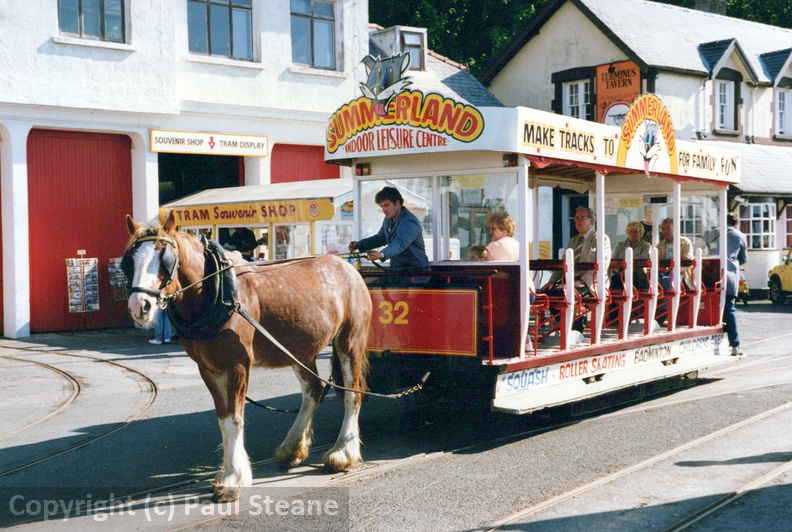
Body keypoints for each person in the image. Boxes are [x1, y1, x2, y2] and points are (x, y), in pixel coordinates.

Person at [541, 206, 611, 332]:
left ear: (591, 221)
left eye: (581, 218)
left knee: (567, 293)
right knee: (547, 292)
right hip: (570, 280)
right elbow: (564, 263)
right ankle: (570, 323)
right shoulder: (573, 241)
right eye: (576, 218)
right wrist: (552, 280)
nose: (578, 221)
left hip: (590, 282)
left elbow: (603, 264)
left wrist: (583, 281)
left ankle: (573, 326)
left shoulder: (600, 239)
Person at [348, 186, 430, 282]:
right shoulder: (388, 219)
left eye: (386, 205)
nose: (384, 210)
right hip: (396, 272)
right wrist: (361, 244)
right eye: (381, 207)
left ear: (397, 203)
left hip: (415, 274)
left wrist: (382, 254)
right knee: (371, 290)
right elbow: (381, 238)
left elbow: (400, 243)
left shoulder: (409, 222)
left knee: (394, 294)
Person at [723, 212, 748, 356]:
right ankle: (734, 345)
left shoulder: (713, 232)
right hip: (729, 276)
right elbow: (744, 258)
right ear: (736, 223)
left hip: (709, 274)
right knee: (729, 309)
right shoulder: (739, 235)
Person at [610, 221, 651, 290]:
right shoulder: (620, 245)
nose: (633, 234)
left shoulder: (645, 245)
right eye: (630, 232)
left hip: (638, 276)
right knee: (614, 279)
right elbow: (613, 261)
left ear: (640, 233)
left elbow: (643, 259)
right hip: (620, 274)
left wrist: (627, 270)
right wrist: (620, 271)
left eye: (636, 232)